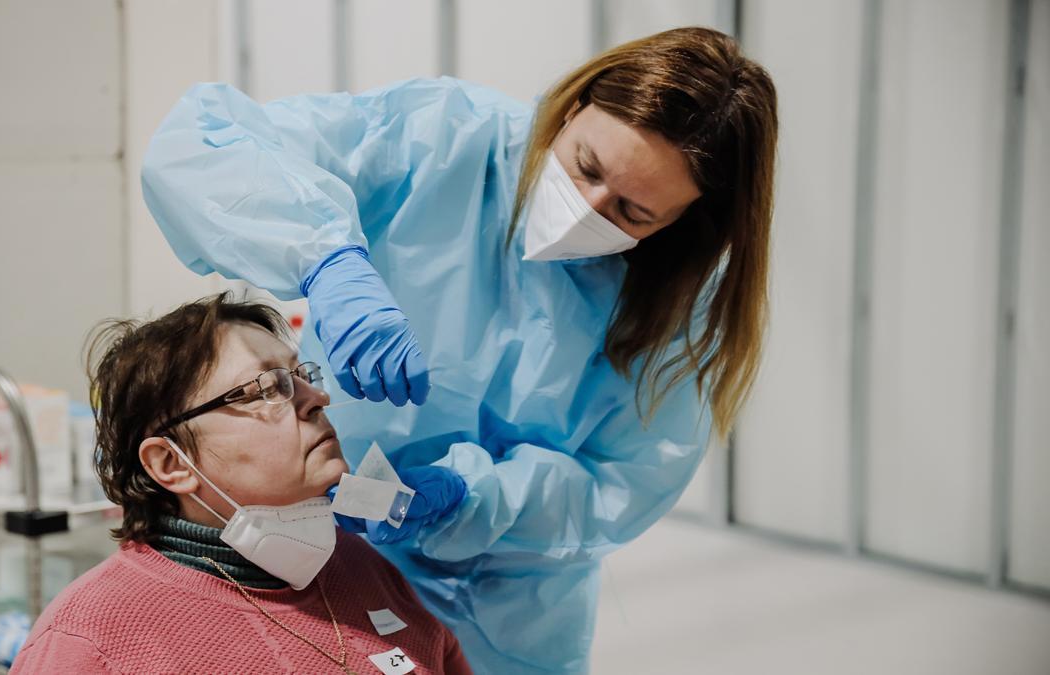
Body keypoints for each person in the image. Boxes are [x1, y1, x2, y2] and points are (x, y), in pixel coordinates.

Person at [142, 27, 778, 673]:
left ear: (681, 224)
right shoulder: (444, 139)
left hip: (517, 611)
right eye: (584, 165)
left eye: (632, 213)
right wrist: (325, 255)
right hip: (334, 553)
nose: (585, 208)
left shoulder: (684, 297)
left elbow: (622, 483)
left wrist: (476, 498)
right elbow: (200, 146)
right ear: (574, 105)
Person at [10, 293, 471, 674]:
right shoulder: (91, 642)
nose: (316, 398)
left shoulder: (363, 568)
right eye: (267, 389)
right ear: (172, 463)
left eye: (300, 375)